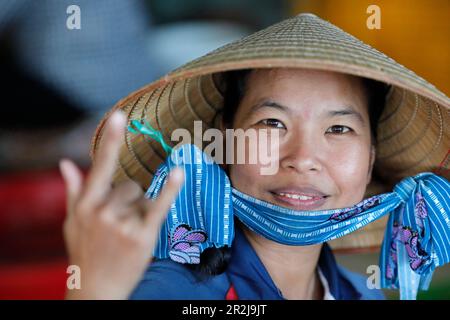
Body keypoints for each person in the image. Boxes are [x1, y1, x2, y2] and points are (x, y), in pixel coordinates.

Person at [59, 13, 450, 300]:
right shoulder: (170, 291)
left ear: (370, 160)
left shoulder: (363, 295)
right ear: (224, 142)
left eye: (339, 129)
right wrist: (97, 291)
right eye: (273, 123)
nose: (303, 157)